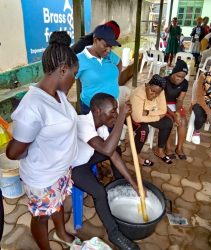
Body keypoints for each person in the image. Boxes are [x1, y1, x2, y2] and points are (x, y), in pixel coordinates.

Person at [6, 31, 79, 250]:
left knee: (57, 205)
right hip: (42, 177)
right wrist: (26, 142)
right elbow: (13, 153)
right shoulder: (33, 106)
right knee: (41, 217)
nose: (74, 80)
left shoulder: (59, 94)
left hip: (59, 170)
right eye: (74, 74)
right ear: (63, 70)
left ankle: (61, 233)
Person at [72, 93, 140, 250]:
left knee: (115, 149)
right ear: (97, 111)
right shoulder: (82, 123)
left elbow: (112, 154)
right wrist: (122, 117)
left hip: (89, 156)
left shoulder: (101, 126)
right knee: (99, 192)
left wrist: (133, 183)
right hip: (75, 167)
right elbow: (104, 149)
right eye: (113, 111)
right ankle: (114, 234)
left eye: (117, 110)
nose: (115, 114)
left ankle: (119, 185)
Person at [76, 24, 122, 114]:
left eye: (111, 46)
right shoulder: (79, 60)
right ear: (96, 40)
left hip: (112, 106)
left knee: (112, 128)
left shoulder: (109, 55)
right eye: (105, 45)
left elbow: (119, 62)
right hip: (92, 110)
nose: (109, 50)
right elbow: (64, 81)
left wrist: (115, 82)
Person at [130, 74, 173, 166]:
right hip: (131, 115)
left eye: (157, 93)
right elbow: (137, 117)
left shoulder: (160, 91)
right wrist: (158, 116)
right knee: (143, 131)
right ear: (147, 85)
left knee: (168, 123)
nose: (154, 95)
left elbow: (163, 110)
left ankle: (159, 150)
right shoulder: (138, 93)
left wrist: (148, 113)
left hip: (147, 113)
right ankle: (136, 156)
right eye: (152, 91)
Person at [164, 60, 189, 160]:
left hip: (175, 104)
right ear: (173, 73)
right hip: (163, 104)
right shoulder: (164, 81)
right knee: (169, 121)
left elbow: (180, 100)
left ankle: (179, 148)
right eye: (178, 75)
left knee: (183, 121)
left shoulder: (185, 83)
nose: (180, 79)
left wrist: (178, 112)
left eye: (182, 77)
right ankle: (168, 147)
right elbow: (160, 102)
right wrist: (174, 115)